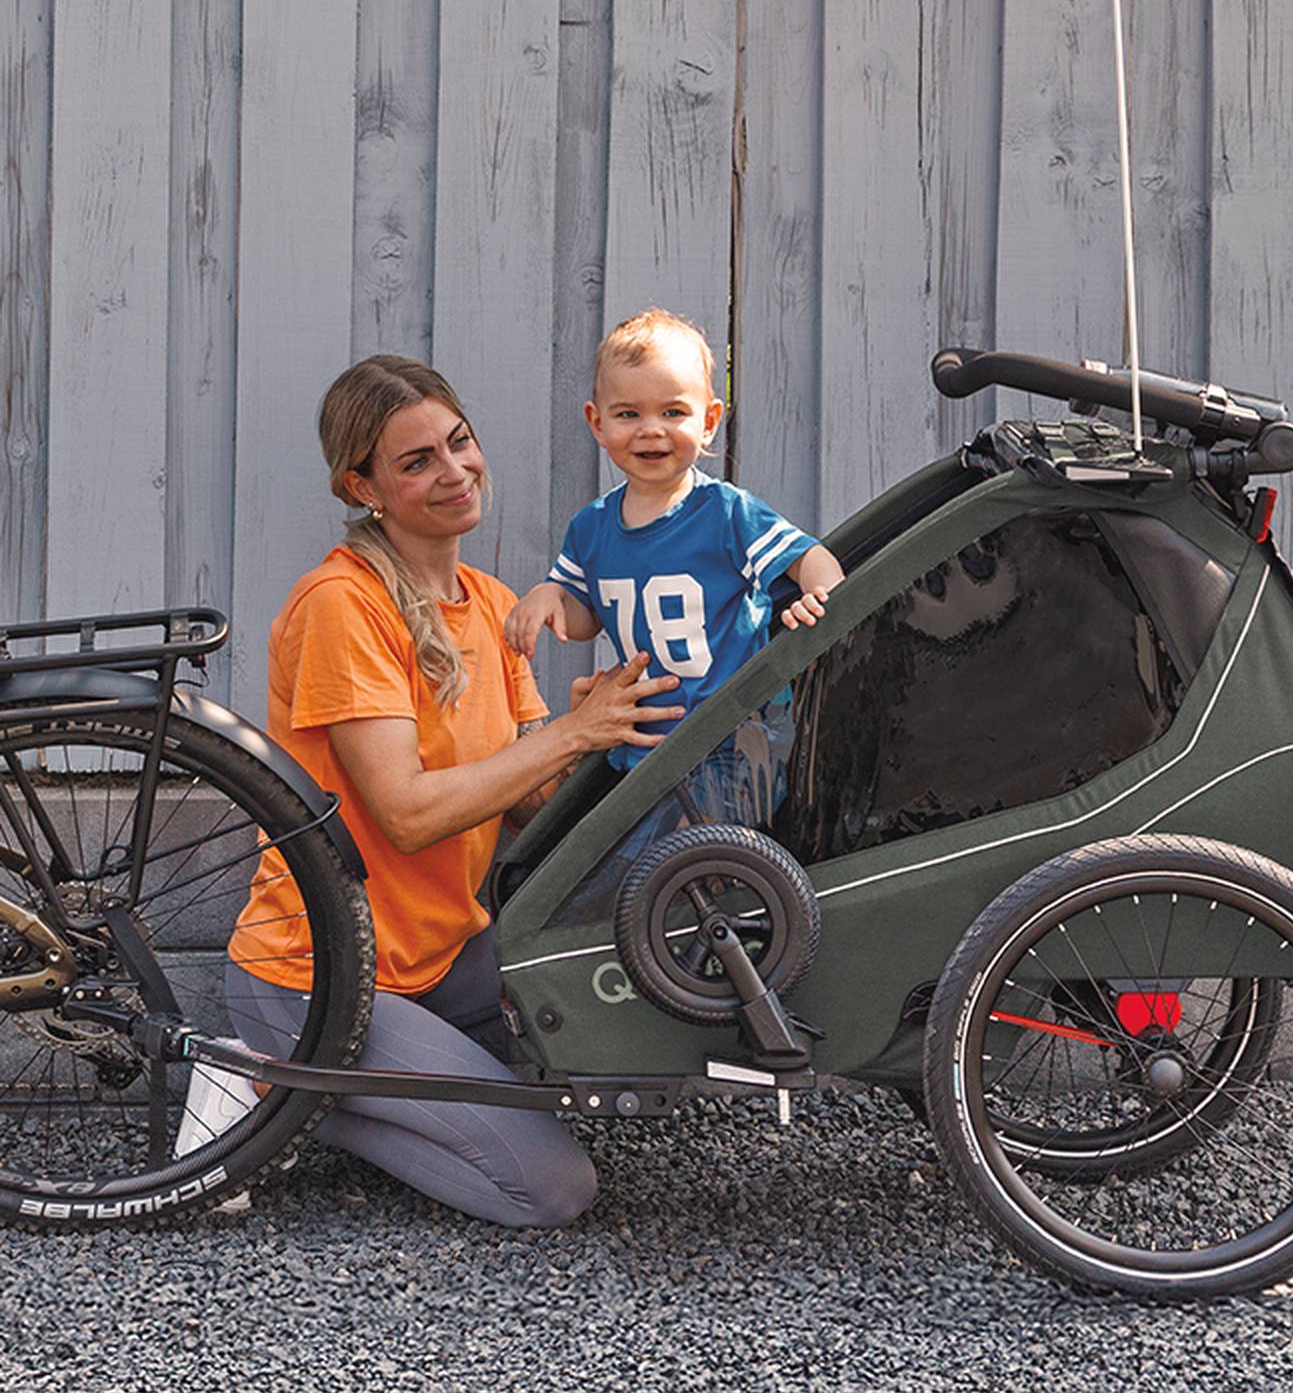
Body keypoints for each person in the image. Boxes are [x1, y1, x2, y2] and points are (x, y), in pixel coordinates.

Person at [223, 354, 684, 1227]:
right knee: (550, 1189)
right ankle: (273, 1086)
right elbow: (405, 814)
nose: (454, 471)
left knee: (585, 1081)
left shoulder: (490, 601)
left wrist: (590, 742)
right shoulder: (342, 605)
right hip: (326, 974)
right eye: (416, 461)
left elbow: (529, 810)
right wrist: (566, 736)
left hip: (446, 964)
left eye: (458, 443)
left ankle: (322, 1085)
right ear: (363, 487)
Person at [503, 309, 844, 797]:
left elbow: (809, 557)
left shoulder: (726, 514)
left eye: (672, 412)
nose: (650, 430)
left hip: (730, 742)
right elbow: (584, 620)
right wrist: (549, 596)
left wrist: (822, 595)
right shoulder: (591, 528)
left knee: (695, 864)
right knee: (639, 865)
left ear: (708, 422)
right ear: (596, 423)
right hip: (642, 745)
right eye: (628, 414)